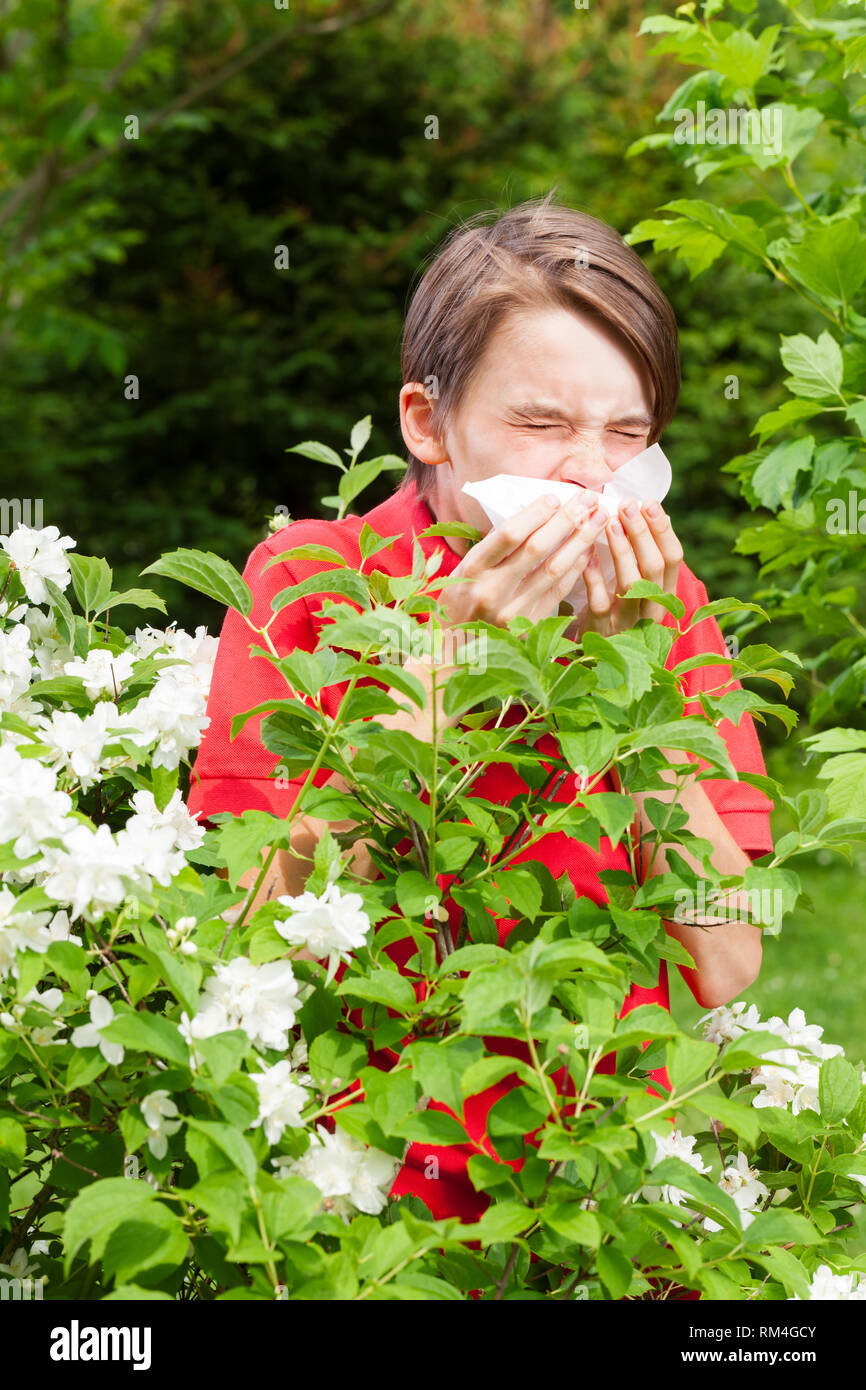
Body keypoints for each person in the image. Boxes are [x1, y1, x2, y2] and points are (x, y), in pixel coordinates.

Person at [186, 193, 773, 1227]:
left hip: (591, 1190)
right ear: (429, 422)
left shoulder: (661, 603)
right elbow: (250, 943)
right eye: (541, 424)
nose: (589, 473)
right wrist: (438, 670)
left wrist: (630, 678)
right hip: (355, 1202)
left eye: (627, 433)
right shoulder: (311, 582)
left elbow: (722, 958)